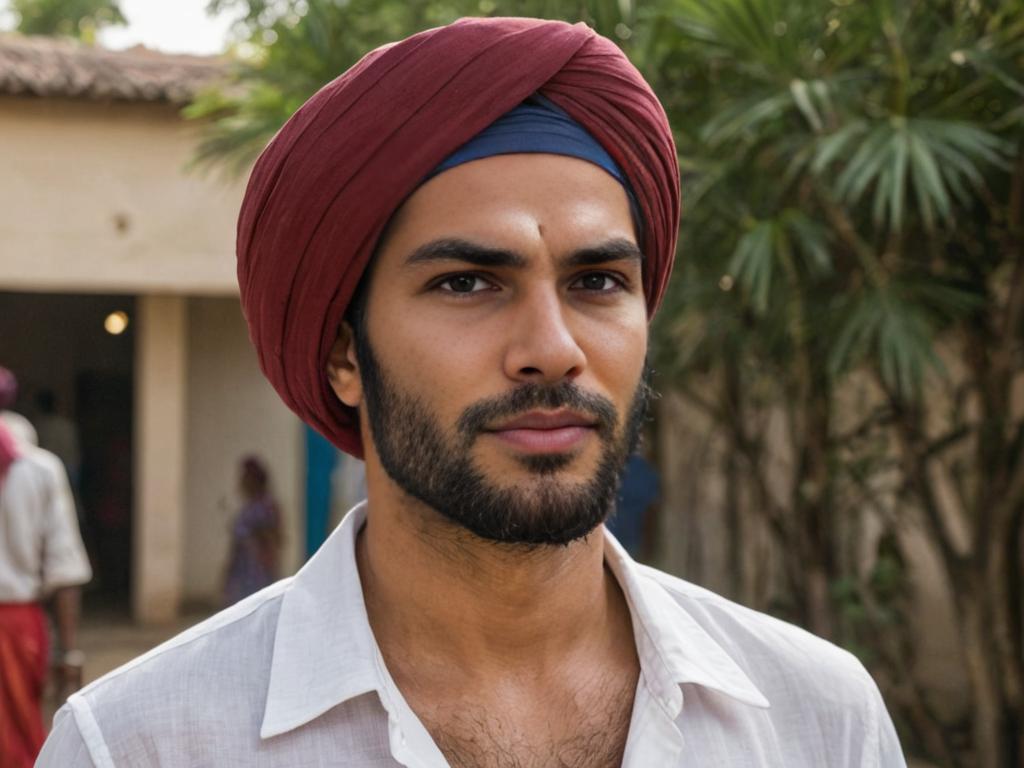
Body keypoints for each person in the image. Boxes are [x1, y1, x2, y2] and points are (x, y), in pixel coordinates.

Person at [38, 17, 905, 767]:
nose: (553, 351)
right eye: (467, 284)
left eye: (598, 281)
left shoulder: (816, 718)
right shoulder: (141, 744)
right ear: (344, 352)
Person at [0, 417, 92, 768]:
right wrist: (69, 654)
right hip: (19, 625)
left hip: (17, 621)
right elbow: (65, 569)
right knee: (22, 735)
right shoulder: (40, 469)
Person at [222, 456, 282, 605]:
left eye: (244, 477)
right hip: (241, 576)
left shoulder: (265, 507)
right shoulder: (247, 508)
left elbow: (274, 539)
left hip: (257, 577)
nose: (240, 481)